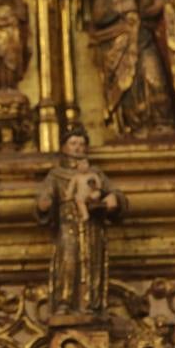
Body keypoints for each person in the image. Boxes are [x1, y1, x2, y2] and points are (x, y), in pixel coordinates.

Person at [89, 0, 175, 138]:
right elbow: (98, 16)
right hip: (120, 47)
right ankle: (134, 125)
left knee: (154, 75)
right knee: (129, 87)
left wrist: (160, 5)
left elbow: (155, 6)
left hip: (145, 42)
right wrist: (125, 7)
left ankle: (160, 122)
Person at [35, 124, 126, 316]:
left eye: (81, 144)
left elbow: (113, 192)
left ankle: (92, 303)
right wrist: (44, 203)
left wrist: (114, 199)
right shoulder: (56, 175)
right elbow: (45, 196)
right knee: (68, 261)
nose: (77, 147)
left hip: (92, 225)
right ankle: (65, 302)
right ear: (64, 147)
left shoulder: (95, 174)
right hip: (68, 225)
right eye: (73, 143)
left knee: (92, 261)